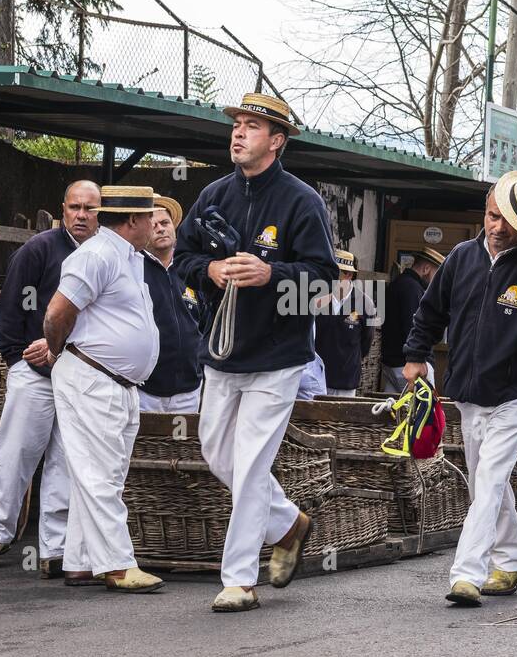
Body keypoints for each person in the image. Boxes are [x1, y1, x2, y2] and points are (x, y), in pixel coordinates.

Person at [174, 92, 338, 612]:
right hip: (222, 352)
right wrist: (211, 271)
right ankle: (289, 523)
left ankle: (238, 579)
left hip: (280, 355)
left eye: (251, 126)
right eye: (237, 124)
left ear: (277, 141)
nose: (238, 133)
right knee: (216, 453)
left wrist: (273, 274)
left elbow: (324, 277)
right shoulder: (213, 195)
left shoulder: (301, 201)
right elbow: (181, 258)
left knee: (248, 465)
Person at [402, 170, 517, 607]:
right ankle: (515, 557)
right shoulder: (461, 258)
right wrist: (415, 354)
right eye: (491, 216)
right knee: (486, 483)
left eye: (506, 219)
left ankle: (466, 573)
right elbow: (430, 312)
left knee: (487, 480)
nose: (496, 226)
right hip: (469, 390)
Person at [0, 181, 102, 580]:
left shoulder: (106, 255)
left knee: (66, 461)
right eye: (74, 207)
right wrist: (16, 360)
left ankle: (56, 547)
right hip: (36, 373)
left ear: (102, 213)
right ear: (63, 209)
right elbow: (9, 308)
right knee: (15, 454)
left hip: (81, 377)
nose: (81, 215)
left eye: (90, 209)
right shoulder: (39, 249)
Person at [41, 185, 164, 594]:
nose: (154, 223)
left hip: (115, 380)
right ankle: (117, 564)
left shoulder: (129, 258)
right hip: (92, 375)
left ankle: (80, 561)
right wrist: (60, 353)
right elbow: (57, 312)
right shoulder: (96, 254)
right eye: (150, 216)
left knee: (102, 473)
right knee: (98, 474)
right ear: (133, 220)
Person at [140, 194, 208, 414]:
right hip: (145, 389)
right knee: (144, 448)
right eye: (153, 225)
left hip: (189, 389)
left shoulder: (190, 268)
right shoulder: (133, 269)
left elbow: (205, 322)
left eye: (165, 223)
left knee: (185, 448)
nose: (161, 229)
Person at [379, 247, 444, 393]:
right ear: (426, 269)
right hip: (409, 364)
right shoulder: (412, 289)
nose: (438, 282)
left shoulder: (399, 284)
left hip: (393, 363)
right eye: (437, 275)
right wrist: (422, 359)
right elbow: (414, 328)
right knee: (421, 411)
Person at [314, 250, 374, 397]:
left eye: (336, 273)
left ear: (349, 275)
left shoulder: (366, 303)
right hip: (315, 379)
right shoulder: (317, 298)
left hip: (345, 380)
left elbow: (367, 341)